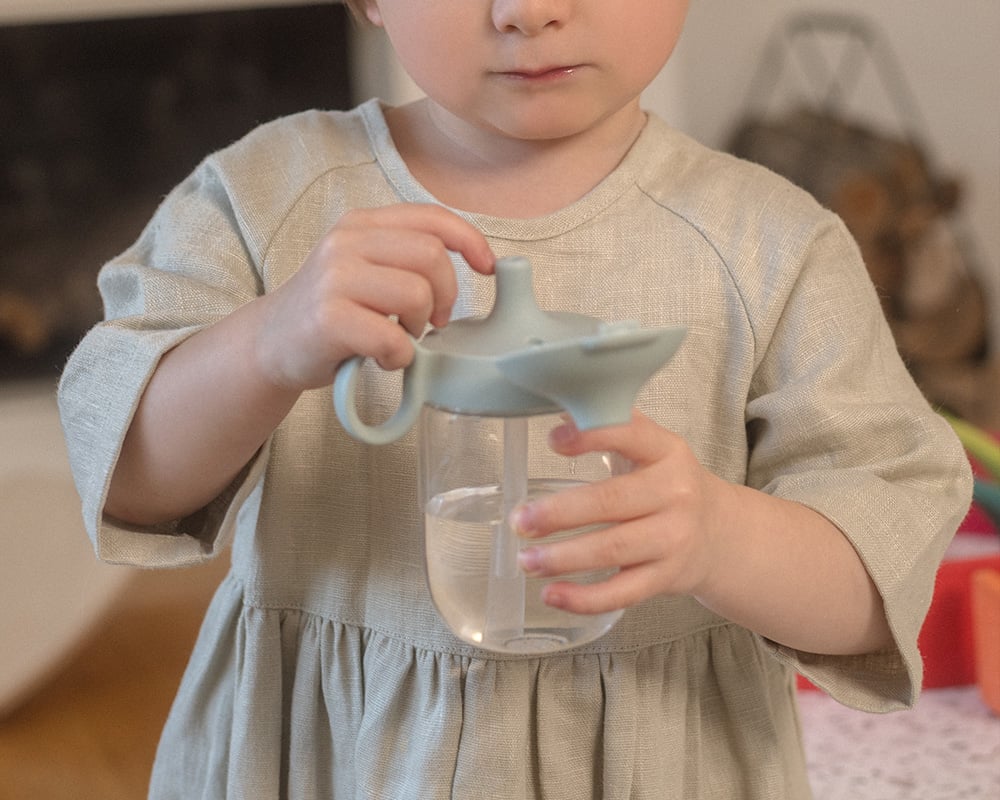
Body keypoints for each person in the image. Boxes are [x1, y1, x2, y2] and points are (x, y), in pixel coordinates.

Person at [58, 1, 972, 798]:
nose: (528, 9)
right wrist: (265, 343)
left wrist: (720, 536)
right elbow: (129, 477)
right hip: (316, 758)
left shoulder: (776, 247)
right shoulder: (267, 200)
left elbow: (878, 579)